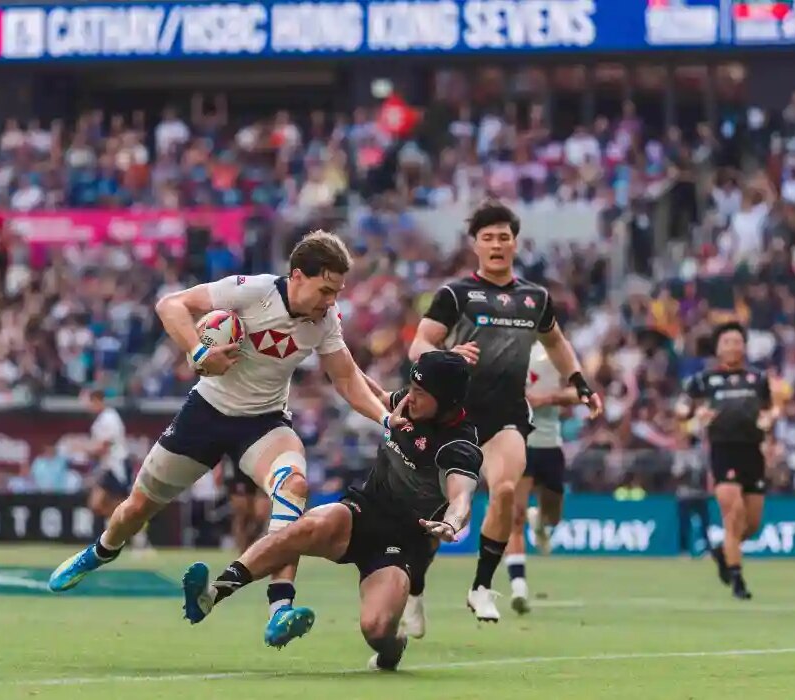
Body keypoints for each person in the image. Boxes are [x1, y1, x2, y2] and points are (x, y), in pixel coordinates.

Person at [48, 231, 399, 648]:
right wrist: (199, 352)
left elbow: (345, 378)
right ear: (297, 276)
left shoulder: (325, 320)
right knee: (137, 508)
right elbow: (170, 305)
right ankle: (102, 550)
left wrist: (386, 418)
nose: (330, 301)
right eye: (325, 290)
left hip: (264, 423)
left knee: (294, 487)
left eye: (336, 292)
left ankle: (280, 609)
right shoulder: (250, 291)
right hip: (207, 414)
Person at [180, 351, 481, 671]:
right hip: (363, 512)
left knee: (377, 629)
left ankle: (393, 649)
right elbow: (374, 394)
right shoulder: (412, 404)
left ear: (446, 401)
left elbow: (461, 496)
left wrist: (452, 521)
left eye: (420, 393)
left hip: (403, 542)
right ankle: (212, 594)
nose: (410, 397)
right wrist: (333, 355)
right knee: (303, 528)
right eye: (410, 388)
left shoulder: (459, 445)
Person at [407, 201, 602, 625]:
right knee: (435, 518)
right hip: (454, 418)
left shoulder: (535, 298)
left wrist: (580, 384)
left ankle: (480, 587)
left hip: (507, 414)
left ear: (515, 242)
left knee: (508, 492)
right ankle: (415, 591)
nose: (497, 244)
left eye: (504, 236)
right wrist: (447, 355)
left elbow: (556, 344)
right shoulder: (455, 294)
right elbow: (418, 345)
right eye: (488, 237)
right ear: (475, 245)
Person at [675, 322, 775, 600]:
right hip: (723, 452)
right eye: (727, 342)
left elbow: (768, 411)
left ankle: (722, 552)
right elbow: (682, 409)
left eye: (737, 341)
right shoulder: (703, 380)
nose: (732, 346)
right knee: (733, 516)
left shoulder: (758, 379)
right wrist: (694, 416)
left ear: (744, 346)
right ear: (718, 348)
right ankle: (737, 579)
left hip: (752, 452)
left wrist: (769, 422)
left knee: (752, 525)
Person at [506, 341, 581, 615]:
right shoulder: (504, 349)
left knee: (554, 516)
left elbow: (580, 393)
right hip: (518, 440)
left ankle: (540, 523)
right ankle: (518, 588)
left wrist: (546, 399)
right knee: (514, 515)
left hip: (550, 443)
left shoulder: (556, 350)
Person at [84, 389, 132, 518]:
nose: (88, 407)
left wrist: (85, 449)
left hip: (117, 465)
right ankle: (114, 528)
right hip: (107, 467)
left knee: (121, 505)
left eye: (90, 402)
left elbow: (104, 446)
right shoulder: (99, 421)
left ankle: (127, 531)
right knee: (96, 504)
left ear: (97, 401)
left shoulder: (110, 417)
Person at [223, 457, 271, 552]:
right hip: (240, 464)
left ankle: (252, 550)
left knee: (261, 515)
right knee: (242, 516)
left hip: (263, 462)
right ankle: (242, 555)